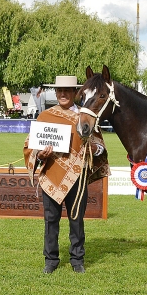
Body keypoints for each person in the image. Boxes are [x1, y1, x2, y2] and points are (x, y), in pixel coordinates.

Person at [23, 76, 109, 274]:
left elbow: (101, 148)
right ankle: (51, 260)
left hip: (77, 178)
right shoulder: (45, 116)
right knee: (50, 219)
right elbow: (29, 147)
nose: (63, 94)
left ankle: (77, 259)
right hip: (51, 176)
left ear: (74, 93)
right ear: (55, 93)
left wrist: (94, 148)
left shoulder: (85, 115)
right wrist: (39, 154)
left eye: (67, 91)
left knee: (76, 219)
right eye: (59, 90)